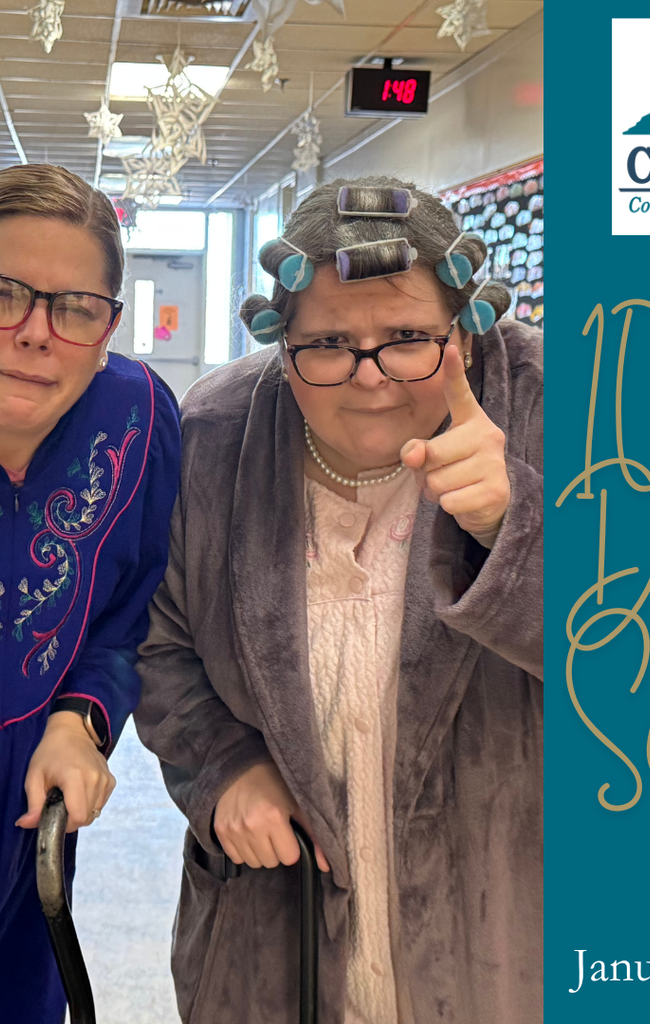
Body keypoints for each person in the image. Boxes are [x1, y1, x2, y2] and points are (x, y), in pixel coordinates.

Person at [135, 177, 542, 1024]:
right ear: (281, 342)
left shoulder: (552, 408)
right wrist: (222, 768)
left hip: (504, 945)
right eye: (327, 343)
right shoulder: (215, 434)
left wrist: (519, 528)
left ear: (465, 332)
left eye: (406, 338)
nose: (371, 378)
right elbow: (158, 644)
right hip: (271, 952)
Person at [0, 163, 181, 1023]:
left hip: (32, 861)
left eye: (74, 309)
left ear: (108, 327)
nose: (36, 333)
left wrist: (81, 719)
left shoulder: (137, 421)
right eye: (0, 293)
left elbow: (127, 613)